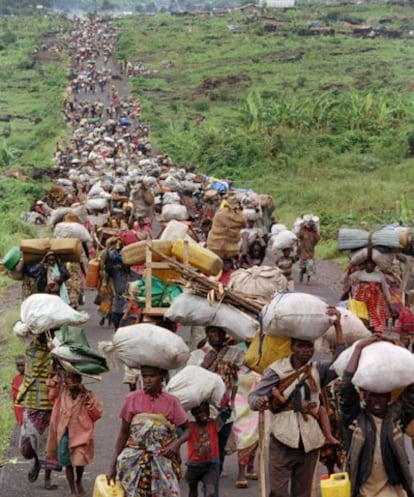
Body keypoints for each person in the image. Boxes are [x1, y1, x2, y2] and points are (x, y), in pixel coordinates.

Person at [248, 307, 345, 497]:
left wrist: (338, 326)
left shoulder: (319, 370)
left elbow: (342, 361)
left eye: (309, 346)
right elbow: (253, 398)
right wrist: (258, 401)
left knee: (303, 493)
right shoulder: (276, 371)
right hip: (282, 438)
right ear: (292, 347)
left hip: (309, 440)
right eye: (301, 346)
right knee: (278, 492)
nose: (305, 351)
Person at [340, 336, 414, 497]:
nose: (377, 401)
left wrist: (396, 347)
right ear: (365, 396)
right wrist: (358, 348)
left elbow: (411, 393)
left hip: (391, 489)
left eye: (382, 396)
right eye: (373, 396)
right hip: (363, 490)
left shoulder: (396, 417)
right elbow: (346, 386)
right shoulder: (355, 418)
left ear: (389, 398)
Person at [106, 365, 191, 497]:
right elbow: (124, 432)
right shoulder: (132, 399)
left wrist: (176, 444)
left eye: (152, 376)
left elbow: (188, 430)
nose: (147, 380)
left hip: (163, 459)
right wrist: (113, 464)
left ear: (162, 376)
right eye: (144, 376)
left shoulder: (171, 402)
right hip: (133, 461)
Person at [188, 325, 245, 475]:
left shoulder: (235, 354)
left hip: (225, 409)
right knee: (203, 442)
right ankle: (203, 472)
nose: (217, 335)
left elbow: (250, 364)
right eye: (213, 331)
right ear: (207, 333)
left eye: (221, 331)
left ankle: (216, 473)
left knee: (220, 443)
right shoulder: (196, 355)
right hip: (203, 409)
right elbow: (190, 378)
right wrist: (205, 365)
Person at [46, 369, 103, 497]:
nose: (70, 380)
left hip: (81, 434)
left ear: (80, 379)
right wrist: (55, 372)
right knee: (67, 463)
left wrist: (89, 403)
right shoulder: (62, 393)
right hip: (64, 433)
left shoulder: (87, 395)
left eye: (73, 378)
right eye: (67, 377)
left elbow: (97, 413)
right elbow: (51, 388)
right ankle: (72, 489)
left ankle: (79, 481)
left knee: (79, 461)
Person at [18, 333, 58, 490]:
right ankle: (36, 461)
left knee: (49, 445)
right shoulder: (31, 349)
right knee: (26, 448)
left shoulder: (56, 351)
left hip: (50, 403)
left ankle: (47, 479)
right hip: (32, 401)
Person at [342, 259, 392, 334]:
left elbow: (384, 289)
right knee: (362, 318)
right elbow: (346, 281)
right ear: (365, 264)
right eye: (368, 263)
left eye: (373, 264)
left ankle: (376, 334)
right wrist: (348, 272)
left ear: (375, 265)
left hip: (376, 302)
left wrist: (389, 300)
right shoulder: (359, 274)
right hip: (362, 301)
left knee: (376, 321)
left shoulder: (380, 275)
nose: (370, 265)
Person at [185, 402, 220, 497]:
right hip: (193, 465)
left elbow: (225, 415)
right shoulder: (190, 427)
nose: (204, 414)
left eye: (206, 411)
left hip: (210, 465)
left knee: (211, 492)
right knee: (192, 491)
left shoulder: (214, 424)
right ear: (194, 414)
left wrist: (230, 403)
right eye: (200, 412)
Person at [297, 219, 320, 284]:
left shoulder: (314, 233)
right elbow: (299, 235)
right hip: (303, 252)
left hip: (310, 253)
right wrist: (302, 226)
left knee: (310, 267)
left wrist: (316, 231)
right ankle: (301, 273)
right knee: (303, 267)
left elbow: (318, 239)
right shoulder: (304, 231)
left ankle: (308, 280)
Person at [11, 355, 25, 425]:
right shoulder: (16, 378)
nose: (20, 368)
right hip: (18, 404)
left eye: (22, 366)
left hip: (26, 404)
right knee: (19, 421)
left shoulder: (29, 378)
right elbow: (13, 391)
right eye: (18, 366)